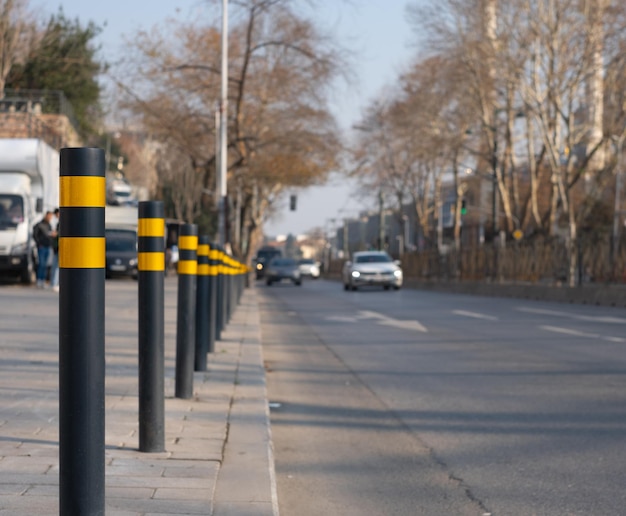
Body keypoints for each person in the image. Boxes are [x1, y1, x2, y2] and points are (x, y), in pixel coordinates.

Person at [33, 211, 57, 288]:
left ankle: (43, 280)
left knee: (46, 265)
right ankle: (39, 280)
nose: (50, 218)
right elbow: (35, 235)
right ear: (46, 216)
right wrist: (39, 244)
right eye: (49, 216)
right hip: (42, 247)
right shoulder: (39, 225)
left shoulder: (49, 225)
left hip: (48, 246)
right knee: (41, 264)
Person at [49, 208, 60, 292]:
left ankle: (55, 283)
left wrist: (56, 234)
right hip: (56, 248)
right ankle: (54, 283)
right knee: (55, 266)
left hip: (59, 247)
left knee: (56, 267)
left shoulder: (61, 223)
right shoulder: (59, 223)